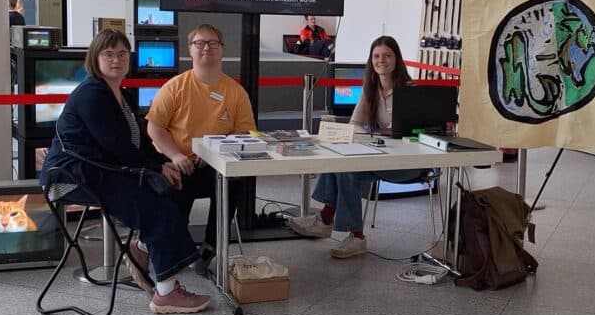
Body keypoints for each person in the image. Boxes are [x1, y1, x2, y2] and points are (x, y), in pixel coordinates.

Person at [40, 29, 210, 314]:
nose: (116, 59)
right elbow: (115, 144)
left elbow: (140, 142)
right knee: (153, 204)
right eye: (108, 54)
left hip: (103, 170)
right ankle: (166, 293)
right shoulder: (92, 93)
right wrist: (155, 168)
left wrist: (162, 165)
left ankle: (142, 247)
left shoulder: (122, 94)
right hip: (72, 177)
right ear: (95, 58)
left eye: (121, 54)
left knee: (174, 189)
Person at [287, 35, 420, 258]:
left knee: (347, 169)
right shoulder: (370, 89)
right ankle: (352, 235)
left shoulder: (411, 90)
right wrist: (367, 136)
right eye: (376, 56)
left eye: (387, 55)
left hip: (405, 162)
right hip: (378, 155)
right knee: (343, 163)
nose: (381, 60)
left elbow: (419, 130)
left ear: (397, 58)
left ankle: (327, 220)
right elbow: (355, 124)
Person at [147, 24, 257, 274]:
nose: (206, 47)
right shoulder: (175, 87)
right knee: (175, 188)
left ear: (222, 50)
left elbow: (244, 133)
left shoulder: (236, 92)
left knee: (233, 182)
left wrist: (213, 154)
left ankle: (210, 247)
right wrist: (175, 155)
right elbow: (155, 128)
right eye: (200, 43)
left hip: (212, 164)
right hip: (178, 162)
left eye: (213, 43)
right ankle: (174, 247)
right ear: (190, 50)